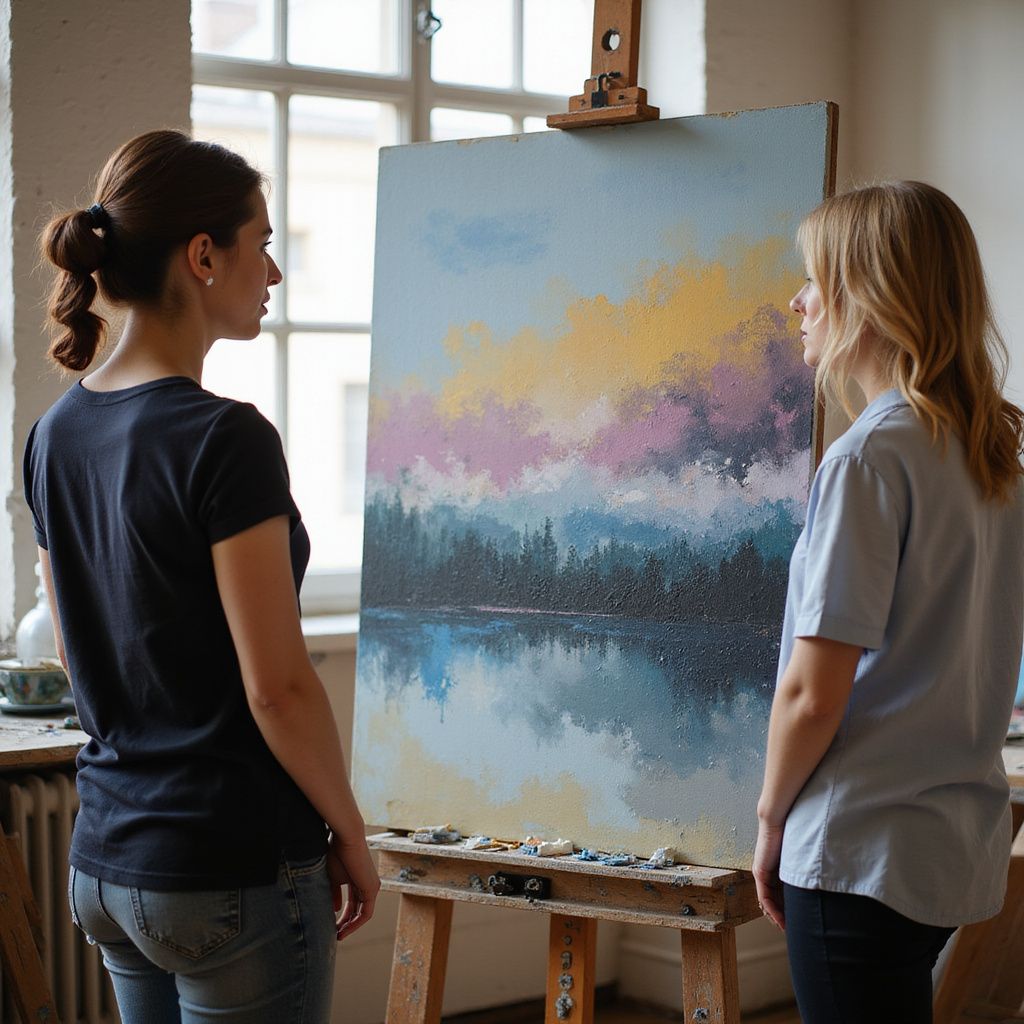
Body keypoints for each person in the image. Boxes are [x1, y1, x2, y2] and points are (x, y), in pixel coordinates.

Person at [24, 129, 380, 1024]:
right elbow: (279, 690)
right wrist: (349, 828)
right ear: (202, 256)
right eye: (263, 244)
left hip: (106, 864)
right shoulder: (227, 440)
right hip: (229, 867)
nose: (275, 271)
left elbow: (75, 656)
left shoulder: (54, 434)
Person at [753, 181, 1024, 1023]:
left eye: (814, 280)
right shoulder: (991, 453)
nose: (797, 301)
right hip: (949, 844)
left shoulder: (867, 458)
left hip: (858, 844)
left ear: (868, 301)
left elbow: (812, 689)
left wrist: (768, 823)